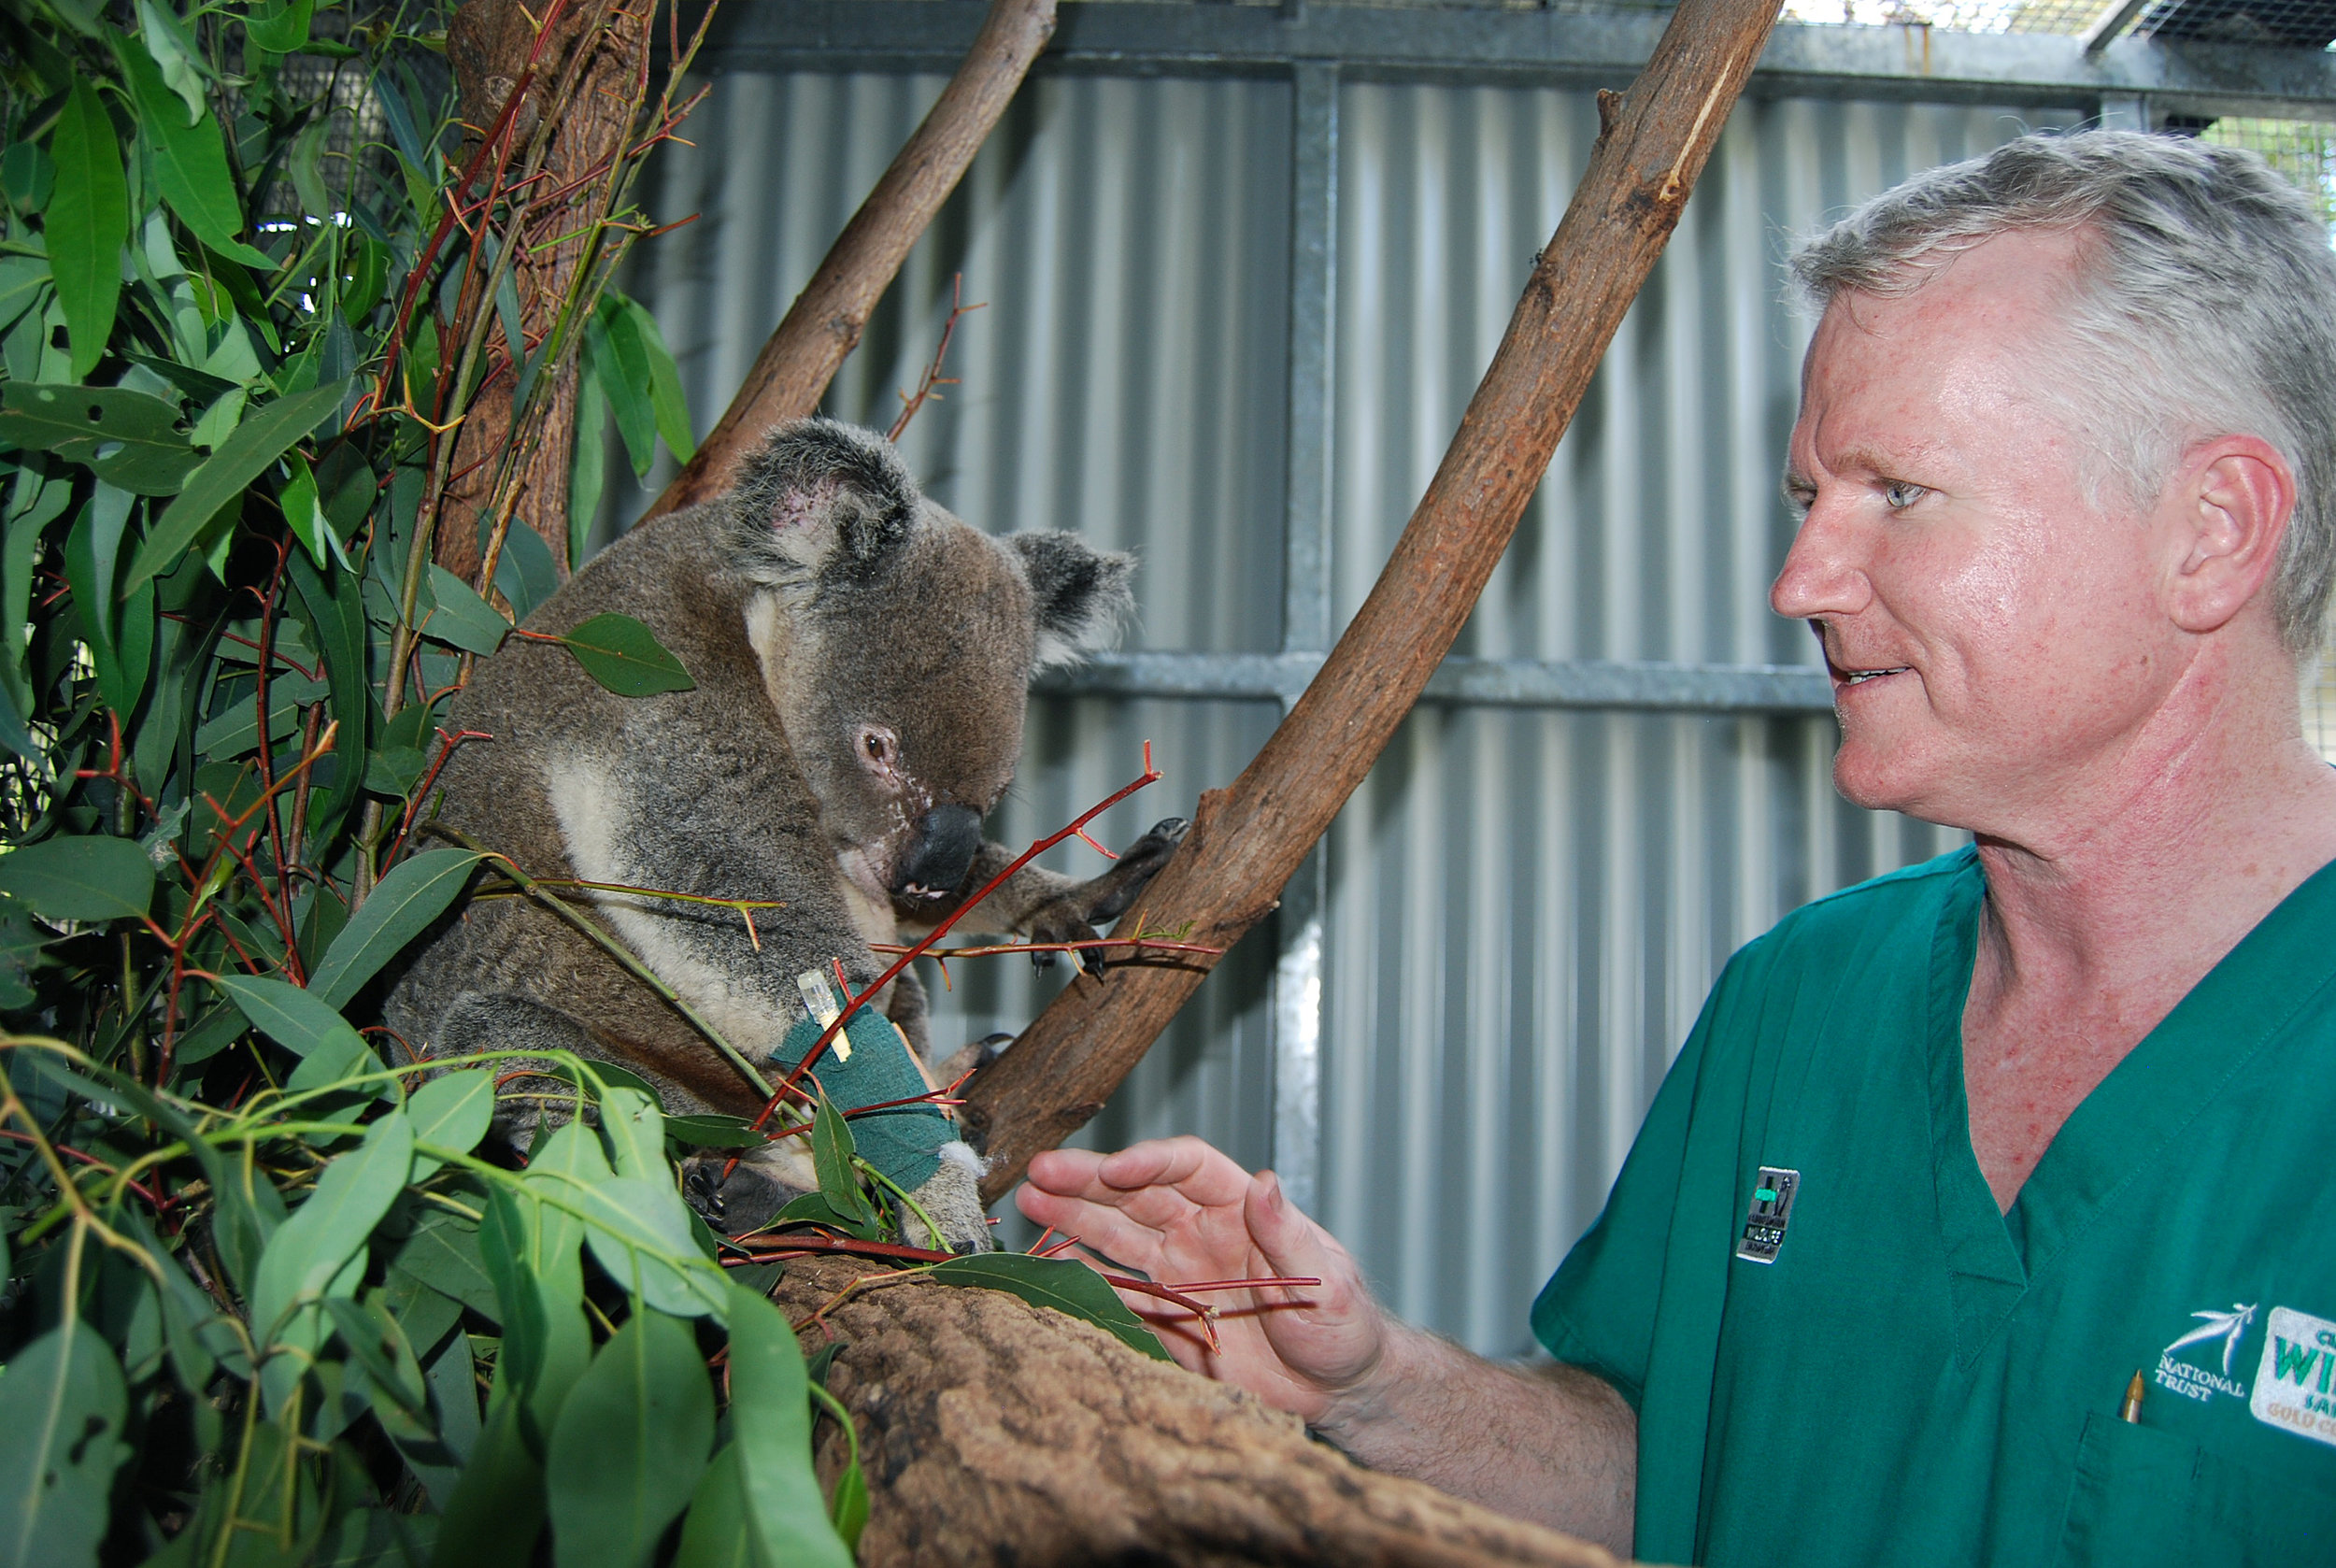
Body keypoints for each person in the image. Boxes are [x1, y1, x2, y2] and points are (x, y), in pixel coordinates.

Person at [1016, 129, 2336, 1566]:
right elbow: (1672, 1467)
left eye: (1898, 491)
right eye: (1806, 500)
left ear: (2213, 532)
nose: (1801, 581)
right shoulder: (1806, 1002)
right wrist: (1373, 1383)